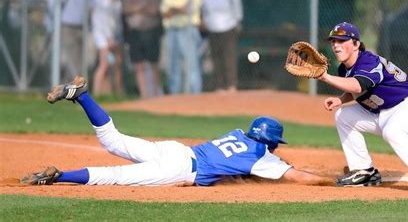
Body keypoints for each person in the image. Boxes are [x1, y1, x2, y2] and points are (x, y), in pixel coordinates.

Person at [20, 76, 326, 187]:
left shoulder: (237, 134)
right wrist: (335, 181)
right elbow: (296, 176)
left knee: (112, 141)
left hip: (176, 149)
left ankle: (82, 95)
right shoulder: (262, 158)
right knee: (114, 176)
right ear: (271, 143)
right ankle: (59, 176)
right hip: (180, 168)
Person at [315, 22, 408, 192]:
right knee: (343, 116)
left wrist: (325, 77)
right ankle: (364, 172)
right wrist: (340, 100)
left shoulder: (368, 61)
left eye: (342, 41)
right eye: (333, 41)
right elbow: (359, 88)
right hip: (383, 113)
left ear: (356, 44)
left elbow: (359, 85)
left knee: (393, 132)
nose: (336, 45)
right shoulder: (344, 68)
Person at [46, 0, 89, 81]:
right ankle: (77, 86)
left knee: (79, 58)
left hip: (80, 27)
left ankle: (71, 85)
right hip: (66, 27)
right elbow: (51, 7)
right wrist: (50, 27)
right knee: (71, 58)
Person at [160, 0, 203, 94]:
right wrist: (179, 9)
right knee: (173, 66)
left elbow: (189, 10)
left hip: (188, 30)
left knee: (192, 65)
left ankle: (195, 95)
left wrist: (173, 10)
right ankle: (174, 96)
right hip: (172, 31)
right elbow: (165, 14)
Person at [123, 0, 162, 98]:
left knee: (153, 64)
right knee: (138, 65)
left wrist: (136, 8)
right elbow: (126, 9)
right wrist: (142, 7)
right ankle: (144, 96)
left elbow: (154, 10)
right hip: (135, 33)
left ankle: (156, 95)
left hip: (151, 32)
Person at [201, 0, 243, 92]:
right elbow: (204, 12)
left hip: (229, 28)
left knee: (229, 57)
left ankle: (231, 84)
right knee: (216, 57)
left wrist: (236, 24)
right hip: (213, 29)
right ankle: (219, 85)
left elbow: (237, 12)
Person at [91, 0, 124, 96]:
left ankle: (108, 94)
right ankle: (97, 94)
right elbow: (104, 18)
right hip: (104, 36)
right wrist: (109, 37)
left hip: (109, 35)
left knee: (112, 65)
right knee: (104, 65)